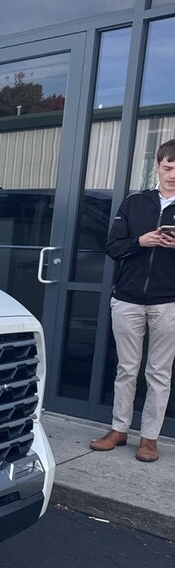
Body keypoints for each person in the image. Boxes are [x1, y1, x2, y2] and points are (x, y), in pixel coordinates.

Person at [90, 139, 175, 461]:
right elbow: (113, 248)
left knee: (159, 372)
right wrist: (141, 241)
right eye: (167, 167)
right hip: (127, 298)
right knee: (126, 368)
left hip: (168, 301)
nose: (172, 175)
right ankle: (119, 428)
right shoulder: (135, 202)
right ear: (157, 166)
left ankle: (150, 438)